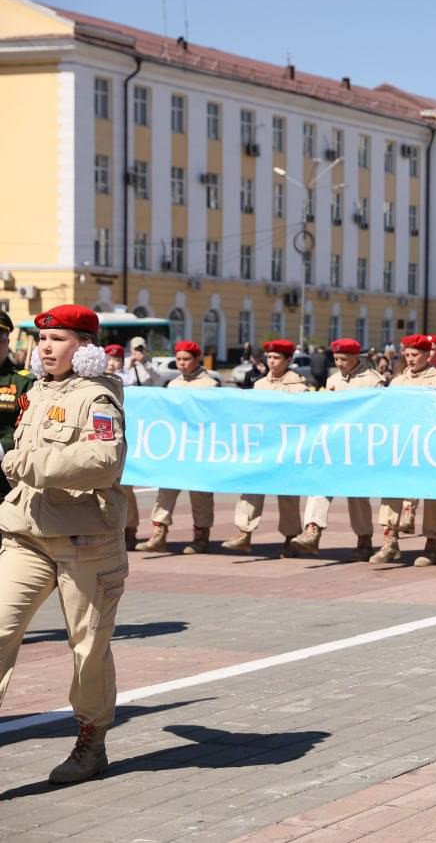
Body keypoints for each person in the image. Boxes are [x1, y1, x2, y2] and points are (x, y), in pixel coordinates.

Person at [0, 305, 128, 784]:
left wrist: (22, 464)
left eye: (58, 339)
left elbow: (104, 460)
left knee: (87, 649)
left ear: (86, 348)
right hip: (26, 534)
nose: (46, 347)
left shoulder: (97, 397)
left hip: (86, 541)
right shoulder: (37, 392)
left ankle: (91, 742)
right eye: (42, 340)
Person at [292, 338, 386, 561]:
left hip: (360, 445)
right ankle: (312, 532)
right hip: (334, 444)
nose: (340, 363)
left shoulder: (373, 381)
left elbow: (378, 414)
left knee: (357, 495)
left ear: (356, 357)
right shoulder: (333, 379)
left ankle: (364, 540)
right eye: (336, 359)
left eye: (344, 359)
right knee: (320, 484)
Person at [371, 334, 436, 565]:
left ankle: (431, 544)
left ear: (427, 355)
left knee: (431, 495)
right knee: (392, 490)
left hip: (431, 446)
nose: (410, 359)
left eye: (415, 355)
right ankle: (389, 541)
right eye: (407, 355)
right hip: (403, 445)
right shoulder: (398, 382)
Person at [221, 340, 311, 555]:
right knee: (251, 487)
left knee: (287, 494)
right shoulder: (260, 384)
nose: (271, 362)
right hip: (262, 446)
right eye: (269, 357)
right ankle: (244, 532)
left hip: (287, 447)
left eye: (277, 358)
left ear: (288, 360)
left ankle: (291, 538)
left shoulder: (299, 387)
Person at [138, 341, 219, 554]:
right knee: (166, 490)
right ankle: (158, 533)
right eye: (179, 360)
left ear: (197, 359)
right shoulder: (173, 385)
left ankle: (201, 536)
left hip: (199, 446)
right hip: (176, 446)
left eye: (186, 359)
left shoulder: (210, 385)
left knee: (200, 493)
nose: (182, 364)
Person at [0, 310, 34, 493]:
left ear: (7, 342)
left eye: (0, 338)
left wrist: (2, 447)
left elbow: (29, 429)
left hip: (5, 479)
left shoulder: (23, 382)